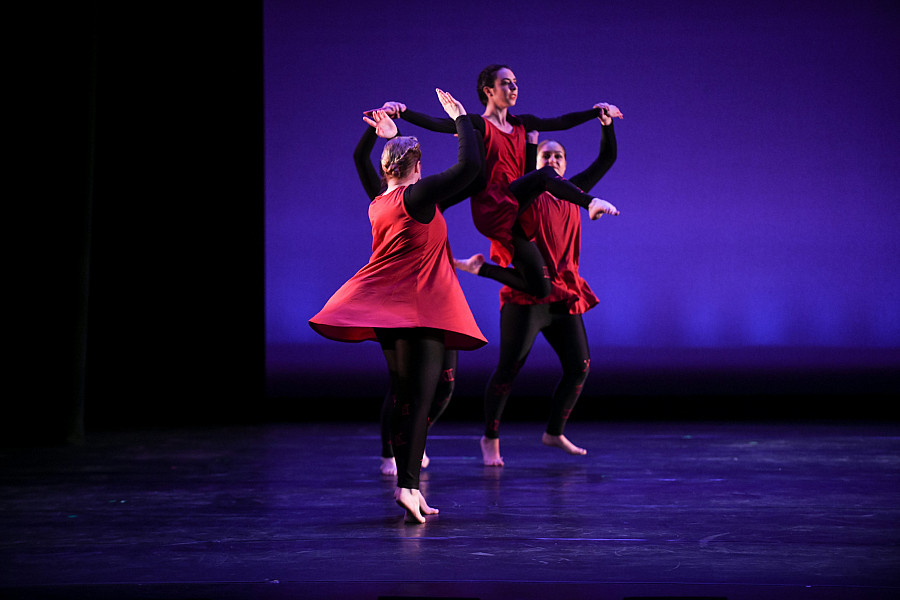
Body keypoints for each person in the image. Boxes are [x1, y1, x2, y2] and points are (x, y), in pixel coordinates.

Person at [310, 89, 486, 523]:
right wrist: (461, 118)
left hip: (394, 311)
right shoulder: (418, 197)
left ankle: (409, 486)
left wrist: (379, 134)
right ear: (418, 168)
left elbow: (359, 158)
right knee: (418, 402)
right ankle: (407, 487)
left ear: (386, 168)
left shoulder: (380, 200)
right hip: (417, 312)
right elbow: (470, 167)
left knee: (415, 397)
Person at [374, 64, 618, 299]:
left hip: (518, 205)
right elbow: (439, 124)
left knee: (542, 288)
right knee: (545, 174)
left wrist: (598, 113)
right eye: (506, 83)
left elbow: (561, 122)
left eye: (515, 83)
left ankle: (479, 267)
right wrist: (403, 112)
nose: (514, 87)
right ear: (489, 91)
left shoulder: (522, 123)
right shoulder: (480, 124)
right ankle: (590, 203)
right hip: (494, 204)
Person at [473, 104, 621, 466]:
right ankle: (490, 437)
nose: (552, 160)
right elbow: (529, 176)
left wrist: (606, 125)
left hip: (564, 295)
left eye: (558, 156)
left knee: (580, 366)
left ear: (565, 164)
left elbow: (607, 159)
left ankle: (554, 431)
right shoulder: (524, 194)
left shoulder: (574, 190)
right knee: (509, 369)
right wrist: (529, 151)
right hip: (527, 297)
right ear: (537, 163)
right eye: (546, 156)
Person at [352, 105, 459, 477]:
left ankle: (411, 442)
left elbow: (469, 179)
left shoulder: (419, 198)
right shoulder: (388, 197)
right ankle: (394, 452)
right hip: (408, 302)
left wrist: (384, 134)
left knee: (443, 385)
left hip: (438, 299)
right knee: (403, 387)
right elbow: (360, 159)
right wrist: (379, 133)